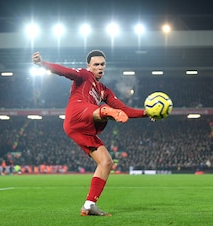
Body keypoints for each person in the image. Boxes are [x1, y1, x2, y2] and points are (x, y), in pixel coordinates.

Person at [32, 50, 150, 216]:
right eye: (96, 64)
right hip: (76, 113)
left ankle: (89, 205)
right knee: (103, 110)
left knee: (106, 162)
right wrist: (43, 64)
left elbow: (124, 109)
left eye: (102, 64)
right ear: (89, 66)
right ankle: (106, 113)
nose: (100, 67)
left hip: (82, 129)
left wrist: (146, 113)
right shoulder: (84, 75)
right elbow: (65, 71)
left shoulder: (104, 90)